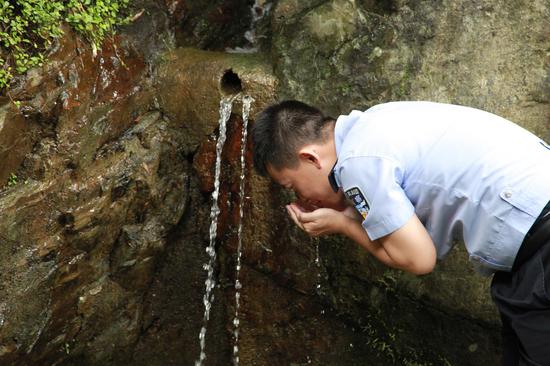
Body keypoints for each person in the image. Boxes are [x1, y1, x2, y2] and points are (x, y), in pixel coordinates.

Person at [251, 100, 550, 366]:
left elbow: (419, 259)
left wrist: (343, 225)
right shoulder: (375, 123)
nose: (301, 199)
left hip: (540, 242)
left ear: (311, 158)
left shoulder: (357, 163)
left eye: (292, 186)